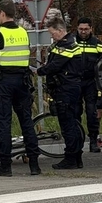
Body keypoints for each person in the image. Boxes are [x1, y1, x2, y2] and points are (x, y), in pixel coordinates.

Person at [0, 0, 39, 176]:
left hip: (5, 83)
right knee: (27, 122)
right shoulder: (24, 32)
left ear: (1, 13)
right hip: (23, 82)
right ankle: (35, 165)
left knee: (4, 123)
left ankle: (5, 166)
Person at [37, 9, 83, 169]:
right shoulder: (68, 43)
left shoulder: (67, 45)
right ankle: (77, 157)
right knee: (73, 123)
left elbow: (55, 66)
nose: (51, 37)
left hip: (66, 90)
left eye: (52, 33)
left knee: (68, 124)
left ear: (60, 30)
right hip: (70, 88)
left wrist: (39, 71)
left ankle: (70, 158)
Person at [73, 17, 102, 153]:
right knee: (75, 111)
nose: (83, 32)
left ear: (91, 28)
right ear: (77, 29)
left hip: (91, 82)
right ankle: (77, 141)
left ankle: (93, 141)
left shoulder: (97, 43)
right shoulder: (72, 42)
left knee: (92, 112)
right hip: (75, 81)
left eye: (86, 29)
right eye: (81, 29)